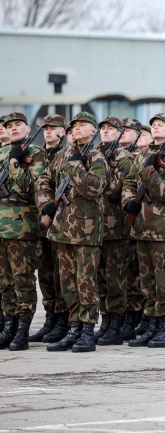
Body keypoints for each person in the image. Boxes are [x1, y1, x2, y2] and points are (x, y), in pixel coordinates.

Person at [37, 111, 109, 353]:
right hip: (61, 229)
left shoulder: (97, 158)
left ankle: (88, 330)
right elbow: (43, 180)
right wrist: (46, 203)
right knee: (67, 283)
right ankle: (74, 328)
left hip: (86, 231)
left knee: (86, 281)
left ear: (94, 130)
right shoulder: (64, 155)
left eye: (83, 125)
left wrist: (77, 165)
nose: (77, 128)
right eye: (74, 125)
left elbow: (94, 188)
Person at [122, 113, 165, 348]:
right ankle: (150, 325)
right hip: (142, 228)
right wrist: (128, 201)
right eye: (153, 125)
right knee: (147, 281)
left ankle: (164, 327)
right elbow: (129, 183)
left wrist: (149, 172)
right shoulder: (142, 156)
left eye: (161, 125)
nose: (156, 128)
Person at [0, 113, 47, 351]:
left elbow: (32, 188)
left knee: (23, 280)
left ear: (28, 129)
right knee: (4, 282)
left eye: (18, 124)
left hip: (22, 228)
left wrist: (15, 165)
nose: (13, 128)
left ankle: (22, 329)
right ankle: (9, 325)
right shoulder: (1, 152)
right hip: (0, 228)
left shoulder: (36, 154)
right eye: (9, 126)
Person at [95, 117, 136, 346]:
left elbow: (112, 190)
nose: (105, 131)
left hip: (117, 228)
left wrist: (102, 170)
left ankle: (116, 326)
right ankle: (106, 321)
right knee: (100, 279)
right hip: (96, 228)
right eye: (102, 128)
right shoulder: (95, 156)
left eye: (111, 128)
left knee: (115, 279)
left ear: (120, 134)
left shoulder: (124, 158)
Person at [28, 114, 68, 344]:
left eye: (53, 128)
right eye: (45, 128)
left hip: (63, 222)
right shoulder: (36, 156)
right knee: (45, 273)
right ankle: (51, 319)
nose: (48, 132)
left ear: (62, 132)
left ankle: (62, 319)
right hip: (42, 221)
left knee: (60, 273)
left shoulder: (66, 156)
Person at [117, 118, 145, 340]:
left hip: (145, 224)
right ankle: (127, 317)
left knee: (137, 274)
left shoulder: (136, 158)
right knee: (124, 274)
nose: (122, 133)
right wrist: (128, 200)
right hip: (119, 223)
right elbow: (127, 186)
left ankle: (137, 317)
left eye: (127, 130)